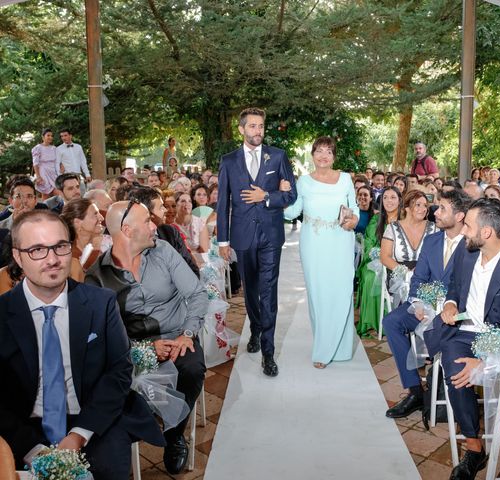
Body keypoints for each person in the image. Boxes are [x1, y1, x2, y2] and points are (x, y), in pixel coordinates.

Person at [0, 210, 164, 479]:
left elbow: (119, 370)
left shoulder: (101, 303)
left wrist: (78, 435)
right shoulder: (2, 314)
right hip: (20, 427)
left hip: (92, 418)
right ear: (18, 256)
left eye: (60, 247)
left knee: (110, 469)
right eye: (38, 250)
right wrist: (31, 448)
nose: (52, 259)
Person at [84, 201, 207, 474]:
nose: (155, 227)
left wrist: (187, 334)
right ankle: (128, 437)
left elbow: (197, 293)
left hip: (177, 336)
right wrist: (145, 348)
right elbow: (100, 333)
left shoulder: (162, 251)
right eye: (147, 222)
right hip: (131, 347)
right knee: (109, 382)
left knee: (191, 367)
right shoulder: (98, 276)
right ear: (127, 230)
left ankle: (174, 436)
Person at [438, 198, 500, 480]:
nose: (462, 230)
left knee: (498, 375)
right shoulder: (466, 251)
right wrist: (450, 303)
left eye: (468, 225)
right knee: (455, 365)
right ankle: (474, 447)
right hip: (466, 328)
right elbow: (454, 285)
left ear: (486, 233)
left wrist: (484, 360)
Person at [217, 107, 297, 377]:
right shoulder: (228, 161)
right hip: (241, 236)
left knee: (268, 291)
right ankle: (255, 327)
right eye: (252, 126)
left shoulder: (277, 157)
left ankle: (268, 352)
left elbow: (291, 195)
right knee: (250, 290)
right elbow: (222, 203)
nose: (257, 131)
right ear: (242, 129)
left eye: (261, 126)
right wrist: (223, 240)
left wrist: (267, 196)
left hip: (271, 236)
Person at [383, 189, 471, 424]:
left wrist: (447, 307)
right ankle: (414, 391)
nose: (435, 212)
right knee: (391, 322)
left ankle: (440, 390)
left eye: (442, 208)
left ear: (460, 215)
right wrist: (418, 304)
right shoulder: (432, 241)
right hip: (426, 305)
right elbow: (419, 278)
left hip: (455, 314)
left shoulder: (471, 244)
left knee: (441, 336)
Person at [283, 136, 358, 368]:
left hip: (341, 241)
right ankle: (324, 349)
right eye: (319, 151)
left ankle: (342, 348)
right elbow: (292, 212)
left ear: (334, 156)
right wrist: (282, 194)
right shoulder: (303, 182)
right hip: (314, 244)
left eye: (329, 151)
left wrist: (353, 220)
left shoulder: (345, 179)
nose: (324, 156)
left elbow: (354, 208)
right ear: (312, 154)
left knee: (342, 290)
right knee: (318, 294)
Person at [356, 186, 401, 336]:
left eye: (393, 197)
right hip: (376, 261)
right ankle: (373, 320)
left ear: (400, 200)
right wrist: (380, 254)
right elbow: (369, 244)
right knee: (370, 277)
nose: (389, 201)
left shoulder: (405, 220)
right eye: (385, 197)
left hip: (400, 262)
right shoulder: (377, 219)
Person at [380, 190, 431, 304]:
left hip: (426, 274)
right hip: (399, 275)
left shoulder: (434, 228)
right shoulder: (392, 228)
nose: (423, 209)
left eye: (425, 206)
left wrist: (421, 272)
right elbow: (384, 257)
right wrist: (406, 273)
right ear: (407, 207)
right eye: (418, 205)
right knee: (407, 288)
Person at [60, 199, 105, 282]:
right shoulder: (69, 258)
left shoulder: (104, 246)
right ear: (77, 222)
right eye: (95, 214)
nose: (101, 218)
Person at [32, 128, 58, 200]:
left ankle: (55, 210)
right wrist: (38, 176)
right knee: (46, 194)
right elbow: (35, 163)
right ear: (43, 137)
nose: (50, 137)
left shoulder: (54, 148)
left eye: (51, 136)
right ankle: (44, 210)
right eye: (48, 135)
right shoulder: (37, 148)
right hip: (43, 172)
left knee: (57, 193)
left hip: (53, 173)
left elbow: (57, 162)